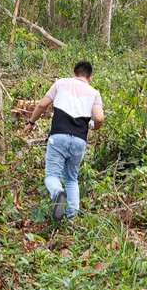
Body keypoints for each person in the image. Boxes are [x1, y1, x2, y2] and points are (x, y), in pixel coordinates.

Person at [25, 60, 105, 221]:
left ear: (74, 73)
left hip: (58, 137)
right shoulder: (94, 93)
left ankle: (57, 193)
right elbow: (100, 117)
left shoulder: (61, 83)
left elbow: (42, 105)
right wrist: (94, 126)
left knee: (52, 176)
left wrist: (31, 122)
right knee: (71, 178)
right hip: (79, 140)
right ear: (90, 77)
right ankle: (72, 217)